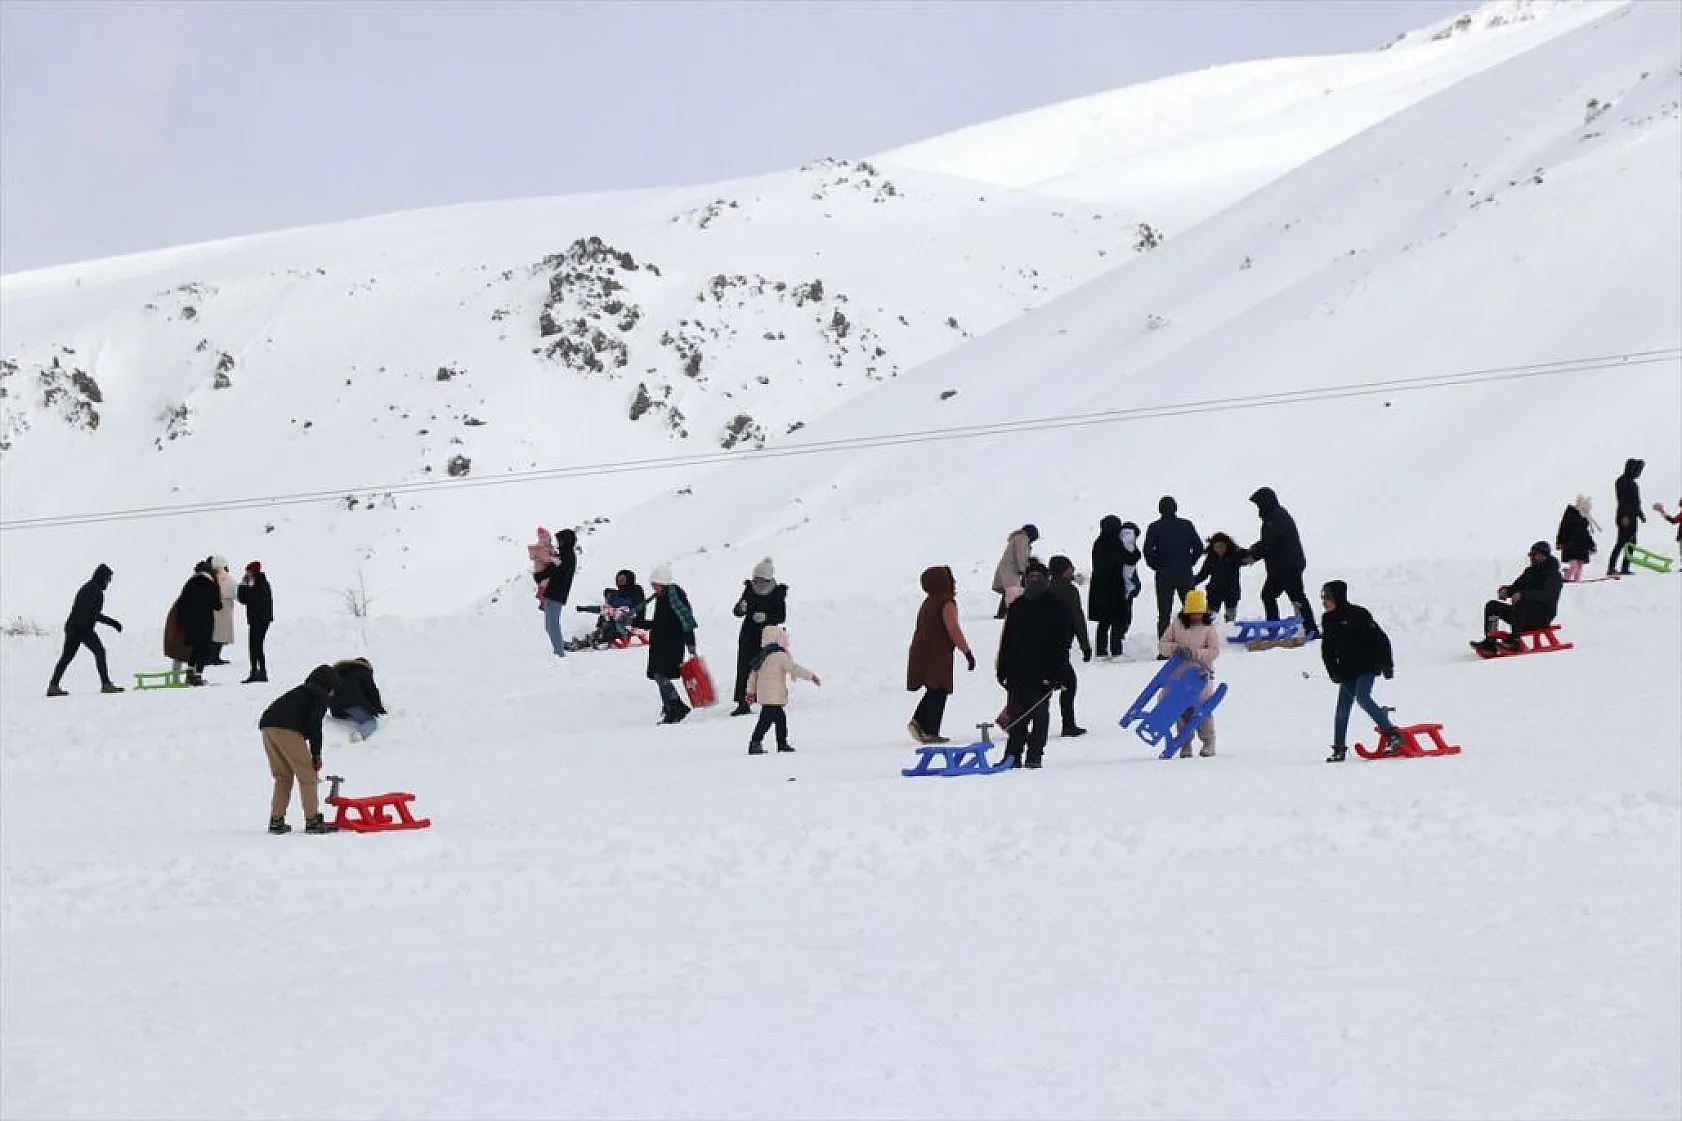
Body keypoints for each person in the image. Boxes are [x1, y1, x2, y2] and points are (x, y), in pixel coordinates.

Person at [995, 561, 1073, 769]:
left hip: (1044, 674)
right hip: (1017, 673)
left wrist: (1058, 673)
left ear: (1046, 580)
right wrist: (1002, 667)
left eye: (1039, 577)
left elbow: (1063, 643)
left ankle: (1034, 755)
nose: (1034, 581)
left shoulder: (1056, 606)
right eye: (1030, 577)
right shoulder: (1018, 606)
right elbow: (1007, 640)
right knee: (1016, 716)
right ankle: (1012, 755)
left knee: (1039, 716)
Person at [1318, 581, 1404, 763]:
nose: (1324, 602)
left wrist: (1387, 664)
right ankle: (1339, 748)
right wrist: (1333, 670)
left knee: (1363, 697)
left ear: (1338, 598)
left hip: (1367, 665)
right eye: (1323, 598)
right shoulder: (1328, 620)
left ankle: (1392, 734)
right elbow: (1327, 649)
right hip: (1347, 670)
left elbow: (1380, 639)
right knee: (1342, 709)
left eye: (1327, 598)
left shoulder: (1358, 614)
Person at [258, 664, 341, 834]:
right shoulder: (319, 694)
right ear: (329, 684)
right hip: (287, 729)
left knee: (283, 777)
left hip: (267, 726)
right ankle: (312, 820)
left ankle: (276, 820)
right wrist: (316, 754)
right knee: (308, 776)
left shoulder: (302, 691)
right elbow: (315, 724)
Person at [906, 565, 975, 745]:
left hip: (920, 651)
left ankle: (918, 721)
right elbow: (953, 628)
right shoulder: (946, 602)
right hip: (937, 653)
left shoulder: (928, 602)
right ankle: (930, 730)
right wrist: (966, 651)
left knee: (934, 688)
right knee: (940, 689)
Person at [1241, 487, 1318, 639]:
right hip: (1282, 566)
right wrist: (1251, 551)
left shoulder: (1276, 517)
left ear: (1265, 503)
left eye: (1259, 504)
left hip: (1287, 566)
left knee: (1294, 596)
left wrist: (1252, 555)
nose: (1258, 508)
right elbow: (1266, 542)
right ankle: (1275, 627)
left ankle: (1310, 628)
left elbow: (1269, 543)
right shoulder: (1274, 516)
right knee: (1271, 595)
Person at [1155, 588, 1221, 758]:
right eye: (1192, 613)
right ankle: (1184, 744)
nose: (1195, 617)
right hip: (1177, 677)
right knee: (1178, 712)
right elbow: (1162, 644)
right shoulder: (1176, 625)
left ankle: (1208, 742)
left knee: (1201, 711)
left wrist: (1197, 654)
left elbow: (1214, 651)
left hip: (1199, 677)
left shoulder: (1208, 628)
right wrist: (1176, 649)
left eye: (1199, 613)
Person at [1471, 541, 1564, 655]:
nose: (1532, 558)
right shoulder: (1530, 572)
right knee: (1492, 606)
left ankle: (1515, 642)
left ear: (1543, 556)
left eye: (1534, 555)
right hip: (1521, 615)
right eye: (1531, 555)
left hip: (1541, 617)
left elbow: (1548, 594)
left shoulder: (1553, 574)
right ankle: (1490, 641)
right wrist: (1506, 591)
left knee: (1522, 601)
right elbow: (1516, 587)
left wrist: (1523, 594)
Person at [46, 563, 124, 696]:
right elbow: (92, 614)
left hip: (74, 626)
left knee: (67, 657)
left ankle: (53, 686)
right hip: (81, 627)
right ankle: (106, 684)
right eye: (108, 579)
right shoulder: (94, 590)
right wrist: (112, 622)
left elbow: (89, 613)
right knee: (99, 651)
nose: (108, 582)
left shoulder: (90, 587)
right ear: (102, 577)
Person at [744, 625, 820, 754]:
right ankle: (778, 744)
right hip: (773, 695)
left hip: (766, 695)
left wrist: (750, 692)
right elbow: (794, 668)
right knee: (776, 720)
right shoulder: (780, 656)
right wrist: (811, 676)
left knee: (767, 720)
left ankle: (759, 743)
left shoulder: (762, 656)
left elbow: (752, 676)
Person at [640, 564, 698, 724]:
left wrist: (691, 646)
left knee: (660, 675)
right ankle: (670, 709)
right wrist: (637, 622)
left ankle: (677, 706)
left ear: (663, 583)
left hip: (672, 644)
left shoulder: (675, 598)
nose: (653, 588)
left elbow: (686, 621)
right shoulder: (661, 597)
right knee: (658, 676)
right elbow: (659, 623)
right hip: (659, 643)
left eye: (655, 585)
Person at [731, 558, 788, 716]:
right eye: (755, 578)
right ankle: (743, 702)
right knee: (744, 667)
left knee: (766, 669)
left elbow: (781, 616)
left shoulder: (777, 593)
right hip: (748, 634)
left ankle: (770, 699)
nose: (756, 582)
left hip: (767, 636)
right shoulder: (749, 589)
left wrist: (766, 617)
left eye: (760, 579)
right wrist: (740, 608)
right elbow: (737, 611)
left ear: (768, 579)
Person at [1143, 496, 1201, 643]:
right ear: (1175, 508)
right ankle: (1195, 641)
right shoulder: (1186, 525)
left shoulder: (1154, 527)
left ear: (1160, 509)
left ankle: (1164, 647)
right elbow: (1199, 547)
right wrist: (1189, 562)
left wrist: (1156, 565)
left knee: (1164, 613)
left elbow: (1147, 551)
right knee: (1191, 609)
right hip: (1184, 572)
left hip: (1164, 574)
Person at [1047, 555, 1092, 737]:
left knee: (1039, 685)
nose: (1073, 570)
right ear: (1064, 570)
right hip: (1060, 646)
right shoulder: (1068, 591)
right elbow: (1077, 619)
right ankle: (1068, 724)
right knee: (1069, 684)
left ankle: (1015, 720)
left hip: (1041, 645)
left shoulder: (1046, 589)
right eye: (1070, 567)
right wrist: (1085, 645)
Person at [1088, 516, 1141, 659]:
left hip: (1098, 586)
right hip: (1114, 585)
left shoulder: (1098, 543)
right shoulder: (1115, 543)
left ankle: (1101, 650)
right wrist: (1136, 551)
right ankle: (1116, 650)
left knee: (1104, 621)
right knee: (1118, 619)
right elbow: (1130, 558)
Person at [171, 559, 221, 686]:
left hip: (190, 623)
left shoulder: (190, 583)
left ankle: (190, 672)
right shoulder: (211, 584)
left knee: (194, 648)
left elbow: (181, 604)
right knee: (204, 649)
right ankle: (197, 675)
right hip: (205, 622)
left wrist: (181, 622)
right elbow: (217, 605)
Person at [534, 528, 578, 657]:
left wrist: (540, 576)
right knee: (550, 626)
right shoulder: (565, 555)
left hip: (556, 594)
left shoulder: (567, 556)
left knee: (552, 625)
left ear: (564, 541)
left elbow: (555, 570)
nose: (558, 543)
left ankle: (559, 653)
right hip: (553, 593)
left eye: (559, 540)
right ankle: (558, 649)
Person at [329, 657, 385, 741]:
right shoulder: (364, 671)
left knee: (354, 713)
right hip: (351, 703)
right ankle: (360, 734)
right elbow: (372, 691)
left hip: (336, 708)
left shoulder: (340, 671)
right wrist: (380, 709)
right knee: (370, 721)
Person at [1194, 533, 1246, 623]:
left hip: (1232, 592)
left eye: (1221, 546)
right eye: (1216, 547)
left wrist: (1255, 554)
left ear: (1227, 545)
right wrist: (1189, 582)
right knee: (1209, 621)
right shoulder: (1211, 558)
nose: (1219, 549)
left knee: (1230, 622)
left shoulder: (1235, 555)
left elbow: (1250, 554)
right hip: (1214, 593)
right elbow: (1203, 575)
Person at [237, 561, 274, 683]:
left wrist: (249, 588)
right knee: (253, 646)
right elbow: (243, 599)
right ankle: (254, 671)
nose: (246, 574)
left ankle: (261, 672)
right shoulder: (251, 584)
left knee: (257, 646)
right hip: (254, 620)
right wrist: (242, 585)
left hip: (262, 620)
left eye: (248, 571)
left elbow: (254, 599)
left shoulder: (262, 584)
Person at [992, 524, 1038, 618]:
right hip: (1012, 568)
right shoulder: (1021, 539)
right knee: (1012, 590)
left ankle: (1002, 613)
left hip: (1009, 567)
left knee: (1009, 590)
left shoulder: (1018, 538)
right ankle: (1011, 612)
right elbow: (1020, 555)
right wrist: (1023, 569)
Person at [1609, 458, 1646, 576]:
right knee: (1621, 542)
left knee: (1632, 543)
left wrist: (1640, 513)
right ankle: (1611, 568)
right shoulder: (1622, 481)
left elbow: (1634, 501)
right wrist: (1625, 515)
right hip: (1625, 517)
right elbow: (1623, 499)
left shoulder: (1633, 483)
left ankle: (1625, 567)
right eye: (1637, 470)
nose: (1639, 473)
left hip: (1632, 516)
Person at [1555, 496, 1598, 583]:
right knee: (1574, 566)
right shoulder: (1570, 515)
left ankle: (1577, 581)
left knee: (1580, 566)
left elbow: (1586, 534)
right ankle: (1567, 577)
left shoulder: (1584, 518)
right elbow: (1562, 529)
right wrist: (1560, 542)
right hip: (1571, 546)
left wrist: (1592, 545)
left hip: (1582, 547)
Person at [210, 556, 235, 665]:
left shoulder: (212, 577)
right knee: (220, 634)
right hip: (222, 608)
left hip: (216, 608)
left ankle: (213, 656)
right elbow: (233, 590)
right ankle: (214, 657)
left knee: (216, 634)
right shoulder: (224, 577)